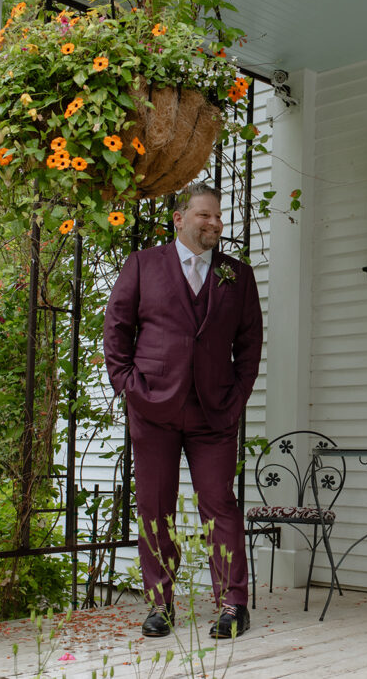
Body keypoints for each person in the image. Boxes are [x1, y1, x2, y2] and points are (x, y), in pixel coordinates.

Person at [103, 181, 262, 639]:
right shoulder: (142, 265)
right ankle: (160, 604)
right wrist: (128, 387)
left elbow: (249, 344)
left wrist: (237, 396)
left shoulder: (237, 275)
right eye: (204, 215)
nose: (214, 223)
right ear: (179, 218)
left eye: (218, 215)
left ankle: (233, 605)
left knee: (221, 505)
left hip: (214, 412)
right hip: (153, 406)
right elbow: (117, 330)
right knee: (155, 507)